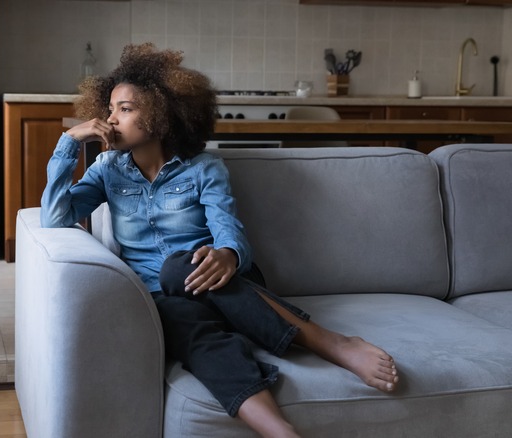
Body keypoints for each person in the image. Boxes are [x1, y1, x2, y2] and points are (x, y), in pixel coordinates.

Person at [40, 43, 398, 438]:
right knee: (186, 327)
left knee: (179, 266)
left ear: (161, 113)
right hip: (165, 299)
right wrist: (70, 142)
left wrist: (228, 254)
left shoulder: (203, 168)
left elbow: (227, 226)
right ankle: (280, 431)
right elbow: (55, 217)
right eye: (110, 108)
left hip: (223, 280)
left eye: (126, 108)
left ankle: (332, 342)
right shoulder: (108, 170)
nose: (111, 119)